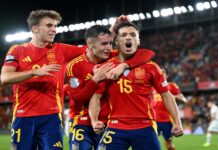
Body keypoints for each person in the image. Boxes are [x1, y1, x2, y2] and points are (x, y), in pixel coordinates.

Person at [0, 9, 117, 150]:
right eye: (49, 26)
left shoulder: (60, 49)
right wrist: (34, 72)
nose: (54, 30)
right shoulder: (17, 50)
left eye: (55, 26)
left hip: (52, 118)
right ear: (35, 29)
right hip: (23, 117)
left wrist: (114, 29)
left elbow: (94, 45)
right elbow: (5, 78)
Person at [89, 21, 183, 150]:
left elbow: (166, 95)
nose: (128, 37)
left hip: (145, 127)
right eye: (124, 35)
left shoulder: (151, 67)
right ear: (116, 42)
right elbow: (95, 97)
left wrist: (177, 121)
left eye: (133, 35)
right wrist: (94, 121)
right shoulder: (105, 67)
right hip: (115, 127)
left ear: (138, 41)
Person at [66, 24, 155, 150]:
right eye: (104, 44)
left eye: (110, 43)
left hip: (108, 124)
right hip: (82, 122)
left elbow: (147, 53)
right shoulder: (74, 66)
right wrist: (95, 79)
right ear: (90, 44)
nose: (109, 48)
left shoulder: (112, 56)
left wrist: (124, 65)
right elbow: (77, 99)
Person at [152, 68, 187, 150]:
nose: (160, 74)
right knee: (150, 143)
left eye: (163, 73)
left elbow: (184, 100)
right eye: (159, 73)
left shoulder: (172, 86)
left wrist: (175, 97)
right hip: (154, 121)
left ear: (166, 75)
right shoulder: (152, 87)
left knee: (169, 145)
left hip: (167, 122)